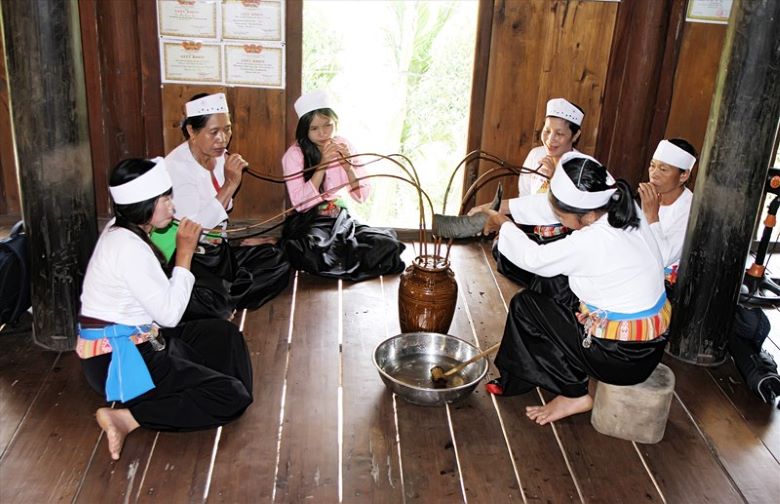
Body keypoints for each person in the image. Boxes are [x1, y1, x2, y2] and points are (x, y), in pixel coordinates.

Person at [78, 158, 253, 460]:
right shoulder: (127, 248)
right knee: (231, 397)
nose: (173, 205)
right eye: (166, 199)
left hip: (141, 339)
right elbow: (170, 314)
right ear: (144, 206)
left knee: (224, 335)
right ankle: (129, 417)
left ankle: (210, 388)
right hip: (119, 361)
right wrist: (184, 254)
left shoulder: (124, 230)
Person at [480, 152, 670, 425]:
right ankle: (536, 370)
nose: (555, 215)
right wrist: (502, 208)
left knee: (526, 306)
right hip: (648, 346)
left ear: (586, 215)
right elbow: (553, 207)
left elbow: (533, 259)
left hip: (622, 359)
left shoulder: (594, 241)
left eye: (560, 214)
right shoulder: (621, 205)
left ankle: (574, 392)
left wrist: (503, 224)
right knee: (552, 282)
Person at [161, 92, 291, 320]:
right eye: (213, 132)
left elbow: (224, 211)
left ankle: (222, 296)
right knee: (214, 306)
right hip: (194, 257)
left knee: (277, 261)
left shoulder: (219, 156)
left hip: (220, 251)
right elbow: (195, 228)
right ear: (192, 131)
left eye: (227, 129)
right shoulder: (177, 166)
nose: (223, 139)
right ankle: (219, 299)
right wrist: (230, 183)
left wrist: (239, 241)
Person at [280, 89, 405, 281]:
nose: (323, 133)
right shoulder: (294, 155)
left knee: (388, 244)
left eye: (328, 125)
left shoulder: (343, 145)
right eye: (314, 128)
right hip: (311, 221)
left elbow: (361, 197)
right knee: (310, 250)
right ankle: (281, 243)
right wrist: (321, 166)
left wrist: (348, 168)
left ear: (335, 123)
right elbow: (301, 205)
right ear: (304, 129)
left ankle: (342, 258)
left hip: (340, 219)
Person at [471, 98, 585, 294]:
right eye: (547, 131)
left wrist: (555, 179)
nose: (550, 140)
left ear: (575, 136)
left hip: (562, 239)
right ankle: (539, 278)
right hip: (533, 232)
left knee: (551, 273)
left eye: (559, 134)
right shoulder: (535, 155)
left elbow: (564, 210)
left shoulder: (581, 166)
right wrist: (512, 228)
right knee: (502, 251)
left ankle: (544, 281)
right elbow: (525, 196)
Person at [637, 138, 697, 286]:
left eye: (663, 169)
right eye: (652, 166)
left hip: (665, 285)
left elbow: (663, 257)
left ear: (683, 175)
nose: (654, 174)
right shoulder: (649, 196)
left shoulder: (691, 210)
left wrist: (651, 216)